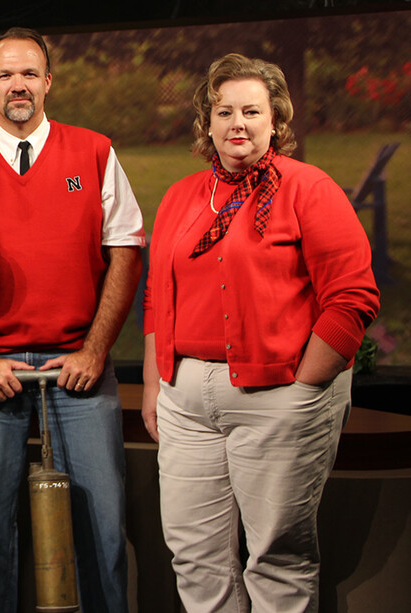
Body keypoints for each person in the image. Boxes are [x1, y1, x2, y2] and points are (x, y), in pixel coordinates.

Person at [141, 52, 380, 613]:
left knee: (277, 560)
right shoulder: (180, 195)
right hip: (187, 404)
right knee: (195, 559)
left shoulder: (308, 188)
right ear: (208, 123)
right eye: (224, 112)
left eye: (252, 111)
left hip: (278, 397)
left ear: (276, 121)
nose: (237, 124)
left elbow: (353, 295)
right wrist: (156, 384)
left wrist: (305, 389)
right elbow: (157, 296)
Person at [0, 27, 144, 613]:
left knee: (103, 526)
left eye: (29, 74)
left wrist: (97, 351)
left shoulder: (94, 152)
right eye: (5, 75)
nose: (17, 85)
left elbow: (125, 248)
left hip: (77, 366)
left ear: (48, 82)